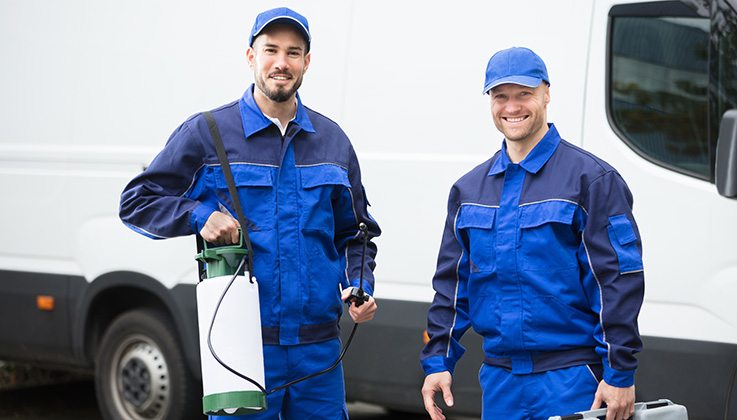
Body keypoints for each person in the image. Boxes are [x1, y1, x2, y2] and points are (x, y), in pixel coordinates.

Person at [119, 7, 379, 419]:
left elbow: (357, 234)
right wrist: (198, 216)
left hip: (319, 353)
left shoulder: (333, 142)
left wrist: (359, 285)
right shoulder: (208, 134)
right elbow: (137, 202)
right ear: (250, 56)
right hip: (241, 348)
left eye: (294, 52)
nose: (282, 62)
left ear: (306, 63)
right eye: (270, 49)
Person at [420, 47, 644, 420]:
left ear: (546, 93)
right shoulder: (468, 191)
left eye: (523, 93)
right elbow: (451, 286)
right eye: (500, 96)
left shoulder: (591, 181)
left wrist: (620, 371)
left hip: (573, 381)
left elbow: (616, 282)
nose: (512, 106)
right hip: (499, 382)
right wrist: (437, 361)